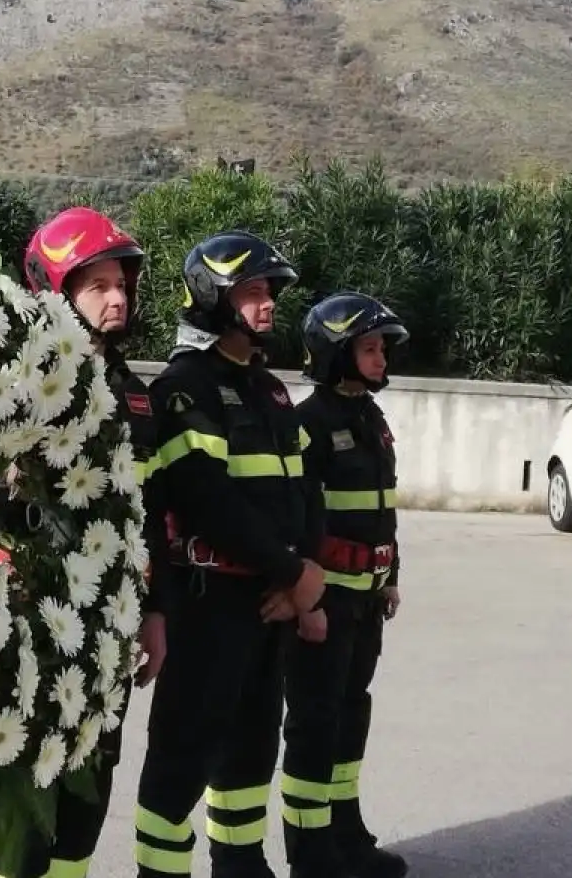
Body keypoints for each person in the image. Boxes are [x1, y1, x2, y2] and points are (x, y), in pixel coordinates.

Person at [131, 230, 327, 878]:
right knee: (181, 762)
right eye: (251, 292)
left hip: (268, 605)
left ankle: (241, 867)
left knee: (249, 754)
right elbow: (209, 500)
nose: (267, 304)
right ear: (213, 296)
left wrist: (306, 574)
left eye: (269, 292)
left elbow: (304, 490)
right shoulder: (186, 388)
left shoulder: (271, 392)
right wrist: (293, 572)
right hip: (208, 606)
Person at [0, 207, 171, 878]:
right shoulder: (15, 388)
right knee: (24, 826)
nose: (117, 298)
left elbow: (152, 522)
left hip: (110, 638)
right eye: (97, 286)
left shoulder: (136, 398)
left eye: (122, 285)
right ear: (53, 293)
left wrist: (154, 615)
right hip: (34, 635)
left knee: (82, 820)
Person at [284, 292, 412, 878]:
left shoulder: (371, 418)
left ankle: (346, 834)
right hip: (325, 603)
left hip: (364, 601)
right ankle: (312, 857)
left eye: (382, 347)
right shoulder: (308, 424)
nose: (381, 357)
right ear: (335, 352)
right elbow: (297, 522)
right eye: (369, 347)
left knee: (350, 714)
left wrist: (389, 577)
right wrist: (304, 602)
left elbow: (380, 512)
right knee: (315, 723)